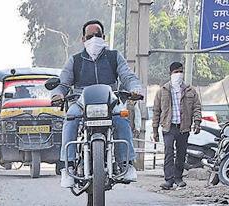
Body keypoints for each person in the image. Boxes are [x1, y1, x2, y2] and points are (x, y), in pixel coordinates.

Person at [52, 19, 143, 188]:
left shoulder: (114, 56)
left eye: (98, 35)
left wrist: (135, 89)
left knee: (122, 116)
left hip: (110, 99)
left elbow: (128, 77)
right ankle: (68, 165)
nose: (94, 39)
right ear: (83, 39)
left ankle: (127, 163)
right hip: (80, 101)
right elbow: (63, 84)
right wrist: (57, 94)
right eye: (90, 36)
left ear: (104, 36)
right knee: (70, 118)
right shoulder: (75, 60)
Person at [153, 61, 202, 190]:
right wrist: (155, 130)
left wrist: (197, 122)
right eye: (176, 72)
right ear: (171, 74)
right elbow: (156, 111)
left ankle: (178, 178)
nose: (179, 74)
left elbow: (197, 107)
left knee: (181, 153)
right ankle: (168, 180)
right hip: (168, 127)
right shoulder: (162, 91)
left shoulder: (190, 91)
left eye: (181, 72)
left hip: (183, 127)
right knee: (168, 153)